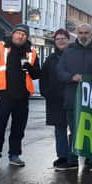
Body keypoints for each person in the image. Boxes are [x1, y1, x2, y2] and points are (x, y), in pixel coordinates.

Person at [0, 24, 41, 168]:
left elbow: (37, 74)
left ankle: (15, 155)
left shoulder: (31, 52)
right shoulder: (1, 48)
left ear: (26, 37)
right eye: (18, 33)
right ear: (13, 34)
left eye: (24, 34)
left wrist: (30, 67)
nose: (20, 36)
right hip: (5, 96)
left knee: (18, 129)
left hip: (22, 98)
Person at [57, 23, 92, 171]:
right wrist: (71, 77)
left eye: (86, 32)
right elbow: (59, 72)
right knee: (74, 130)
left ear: (91, 34)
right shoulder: (68, 53)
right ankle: (73, 159)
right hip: (72, 99)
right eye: (80, 33)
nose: (83, 35)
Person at [40, 29, 75, 171]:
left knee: (74, 128)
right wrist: (46, 93)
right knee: (59, 129)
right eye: (58, 39)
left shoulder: (74, 56)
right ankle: (62, 156)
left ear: (68, 40)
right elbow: (44, 77)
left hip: (71, 97)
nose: (60, 41)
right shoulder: (51, 59)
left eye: (63, 38)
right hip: (55, 100)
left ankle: (73, 157)